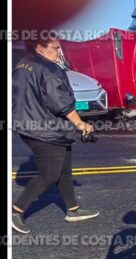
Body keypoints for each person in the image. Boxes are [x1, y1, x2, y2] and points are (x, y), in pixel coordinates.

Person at [12, 31, 99, 234]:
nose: (59, 52)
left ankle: (73, 209)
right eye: (55, 48)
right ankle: (15, 211)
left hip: (30, 125)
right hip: (47, 129)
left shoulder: (22, 65)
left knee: (63, 170)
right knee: (49, 174)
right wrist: (80, 124)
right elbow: (60, 102)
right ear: (40, 47)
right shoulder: (49, 69)